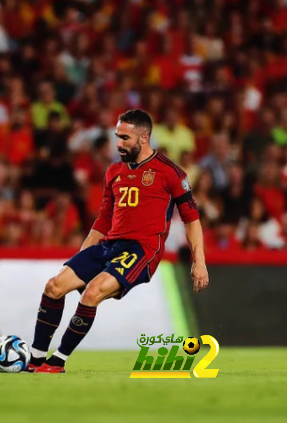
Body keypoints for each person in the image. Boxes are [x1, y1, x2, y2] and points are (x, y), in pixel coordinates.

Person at [26, 109, 209, 374]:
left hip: (141, 250)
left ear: (144, 138)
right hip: (108, 244)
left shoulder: (171, 172)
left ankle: (58, 361)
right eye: (117, 137)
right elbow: (103, 220)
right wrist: (81, 260)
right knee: (54, 286)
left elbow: (192, 219)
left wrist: (199, 262)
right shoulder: (113, 171)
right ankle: (35, 359)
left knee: (92, 293)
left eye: (125, 138)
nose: (118, 143)